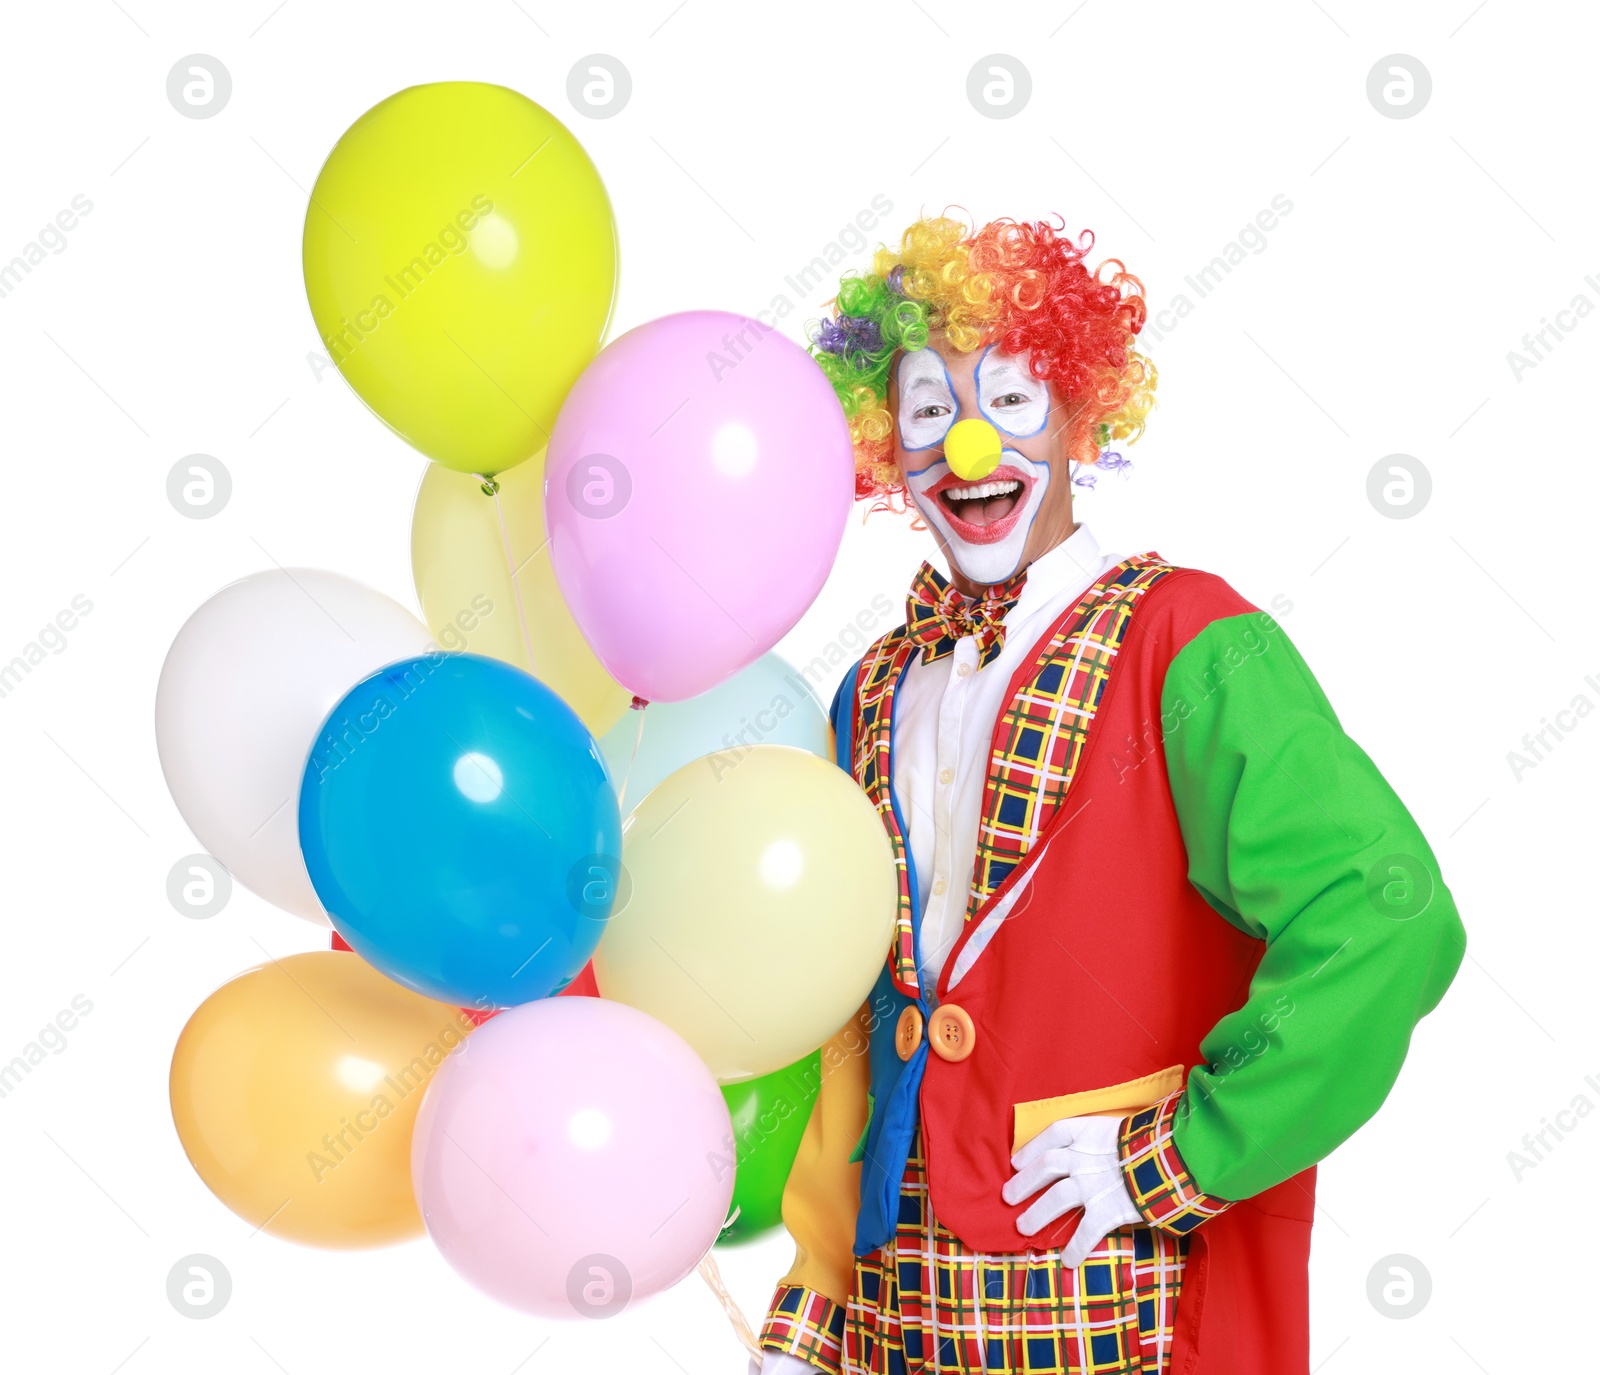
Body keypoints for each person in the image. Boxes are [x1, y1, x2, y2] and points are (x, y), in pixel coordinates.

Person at [751, 215, 1464, 1375]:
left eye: (1012, 404)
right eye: (931, 412)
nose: (969, 452)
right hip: (897, 1309)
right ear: (889, 445)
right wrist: (812, 1310)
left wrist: (1176, 1157)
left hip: (1117, 1299)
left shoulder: (1192, 642)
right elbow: (853, 1026)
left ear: (1083, 415)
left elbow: (1386, 917)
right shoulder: (871, 688)